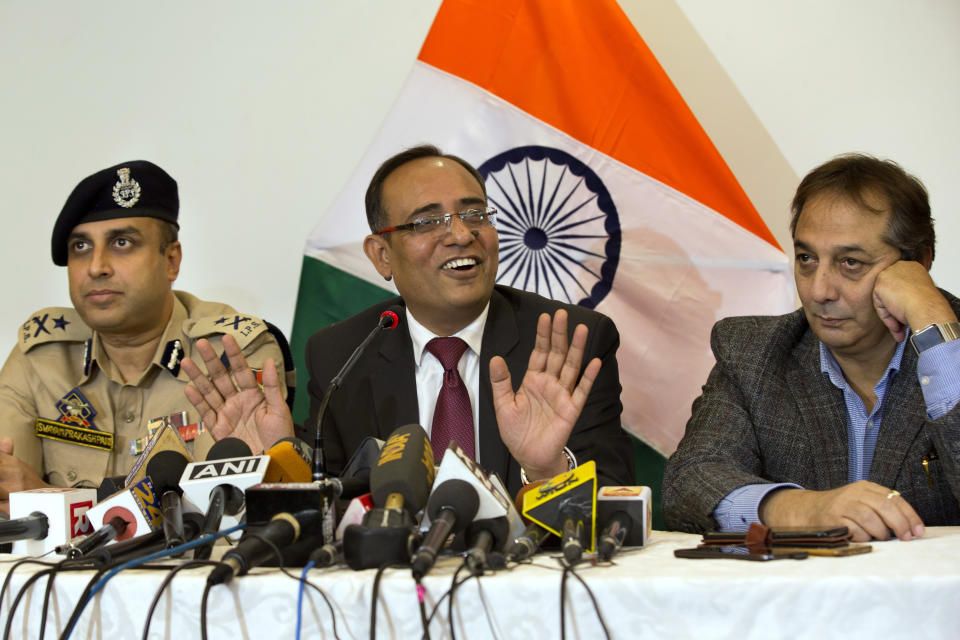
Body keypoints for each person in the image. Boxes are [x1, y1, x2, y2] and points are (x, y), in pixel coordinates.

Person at [186, 145, 634, 493]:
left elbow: (618, 504)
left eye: (475, 214)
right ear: (382, 255)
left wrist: (546, 470)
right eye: (427, 223)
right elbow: (333, 509)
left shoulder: (566, 342)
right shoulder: (341, 355)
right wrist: (277, 461)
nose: (461, 235)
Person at [663, 153, 960, 541]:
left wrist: (935, 325)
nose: (819, 291)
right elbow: (688, 482)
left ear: (917, 265)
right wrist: (800, 509)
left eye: (850, 263)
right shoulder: (754, 352)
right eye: (806, 258)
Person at [0, 160, 292, 513]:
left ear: (171, 260)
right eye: (80, 247)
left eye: (122, 242)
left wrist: (55, 501)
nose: (96, 267)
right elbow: (10, 495)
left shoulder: (230, 351)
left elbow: (220, 507)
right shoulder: (41, 357)